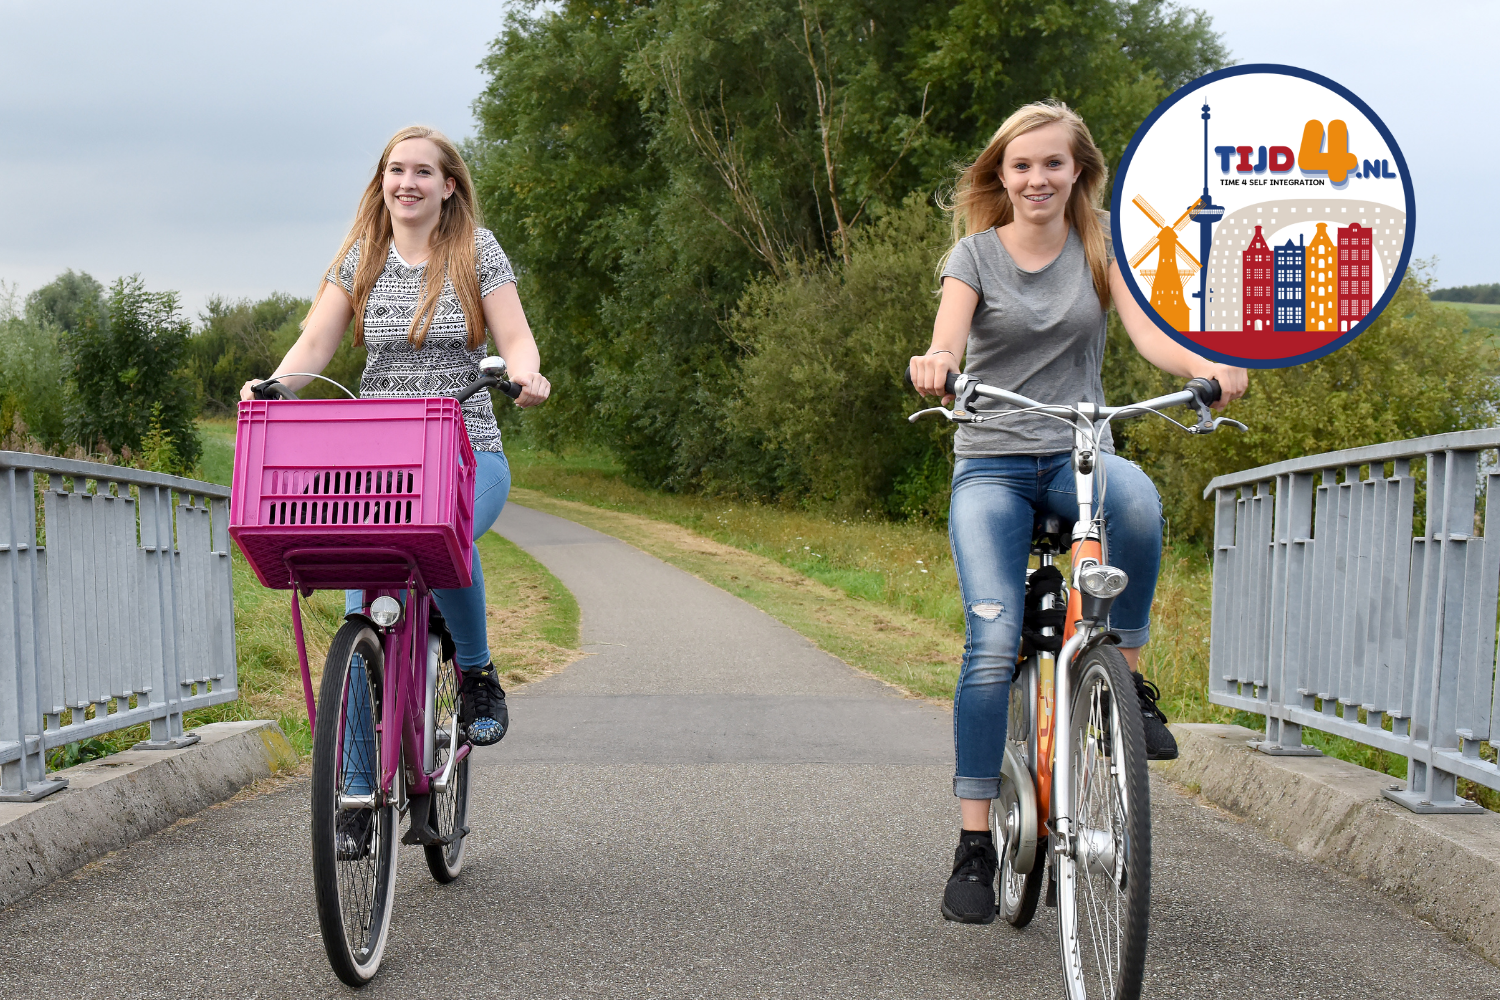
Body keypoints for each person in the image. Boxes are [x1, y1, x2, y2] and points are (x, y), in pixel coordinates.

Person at [907, 102, 1247, 925]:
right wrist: (936, 364)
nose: (1036, 180)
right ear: (1001, 175)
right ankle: (975, 844)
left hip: (1074, 452)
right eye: (1020, 167)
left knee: (1136, 497)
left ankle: (1126, 681)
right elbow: (947, 340)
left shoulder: (1101, 247)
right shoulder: (974, 256)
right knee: (991, 640)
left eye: (1053, 165)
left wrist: (1208, 364)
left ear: (1079, 173)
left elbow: (1148, 334)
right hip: (991, 460)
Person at [242, 125, 550, 750]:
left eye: (423, 172)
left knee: (448, 533)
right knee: (363, 626)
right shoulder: (359, 257)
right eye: (396, 171)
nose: (408, 183)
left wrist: (524, 372)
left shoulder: (476, 252)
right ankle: (355, 798)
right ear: (381, 183)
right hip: (382, 462)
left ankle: (475, 672)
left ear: (449, 186)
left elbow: (515, 336)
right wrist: (273, 385)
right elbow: (316, 344)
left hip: (467, 448)